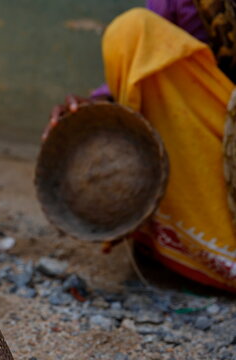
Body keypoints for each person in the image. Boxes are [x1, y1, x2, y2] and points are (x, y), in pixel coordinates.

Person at [44, 0, 236, 292]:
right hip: (219, 129)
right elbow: (154, 63)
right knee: (134, 32)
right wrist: (98, 107)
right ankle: (191, 250)